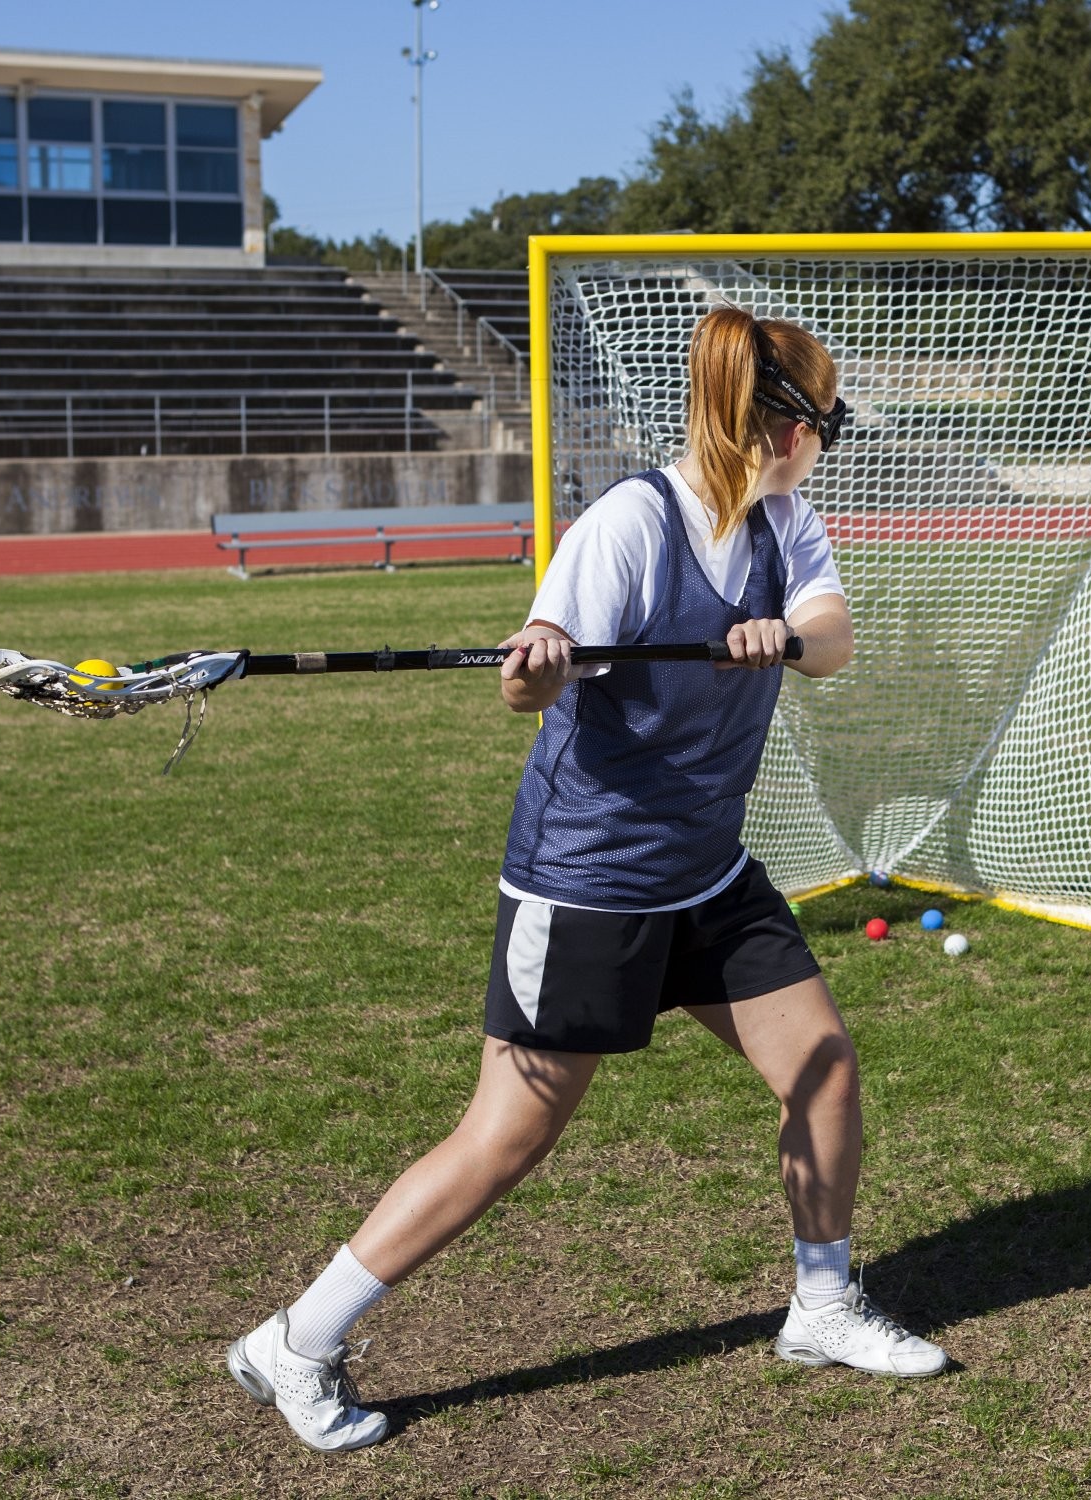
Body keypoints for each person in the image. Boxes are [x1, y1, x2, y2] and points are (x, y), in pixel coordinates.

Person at [226, 304, 948, 1453]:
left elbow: (833, 635)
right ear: (777, 425)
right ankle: (297, 1340)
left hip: (706, 871)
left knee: (822, 1071)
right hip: (591, 881)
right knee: (507, 1137)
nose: (830, 442)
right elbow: (527, 686)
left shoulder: (786, 525)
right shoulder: (628, 525)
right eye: (828, 421)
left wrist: (785, 640)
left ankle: (821, 1305)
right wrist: (540, 667)